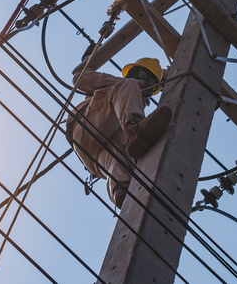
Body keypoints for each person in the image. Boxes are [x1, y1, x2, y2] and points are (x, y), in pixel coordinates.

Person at [65, 57, 172, 208]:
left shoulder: (131, 102)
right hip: (85, 126)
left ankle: (120, 189)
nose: (145, 81)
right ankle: (132, 129)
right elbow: (79, 79)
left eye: (150, 81)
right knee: (131, 129)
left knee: (122, 154)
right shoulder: (119, 86)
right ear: (133, 72)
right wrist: (120, 82)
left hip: (95, 157)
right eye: (142, 75)